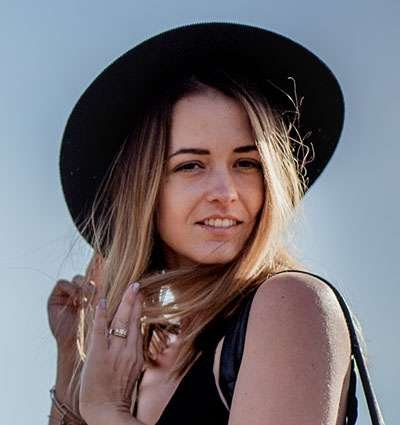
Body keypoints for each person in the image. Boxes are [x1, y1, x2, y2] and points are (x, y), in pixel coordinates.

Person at [48, 22, 357, 425]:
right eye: (191, 165)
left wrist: (108, 411)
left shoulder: (290, 304)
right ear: (143, 190)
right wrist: (74, 364)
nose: (226, 192)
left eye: (246, 163)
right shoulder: (139, 365)